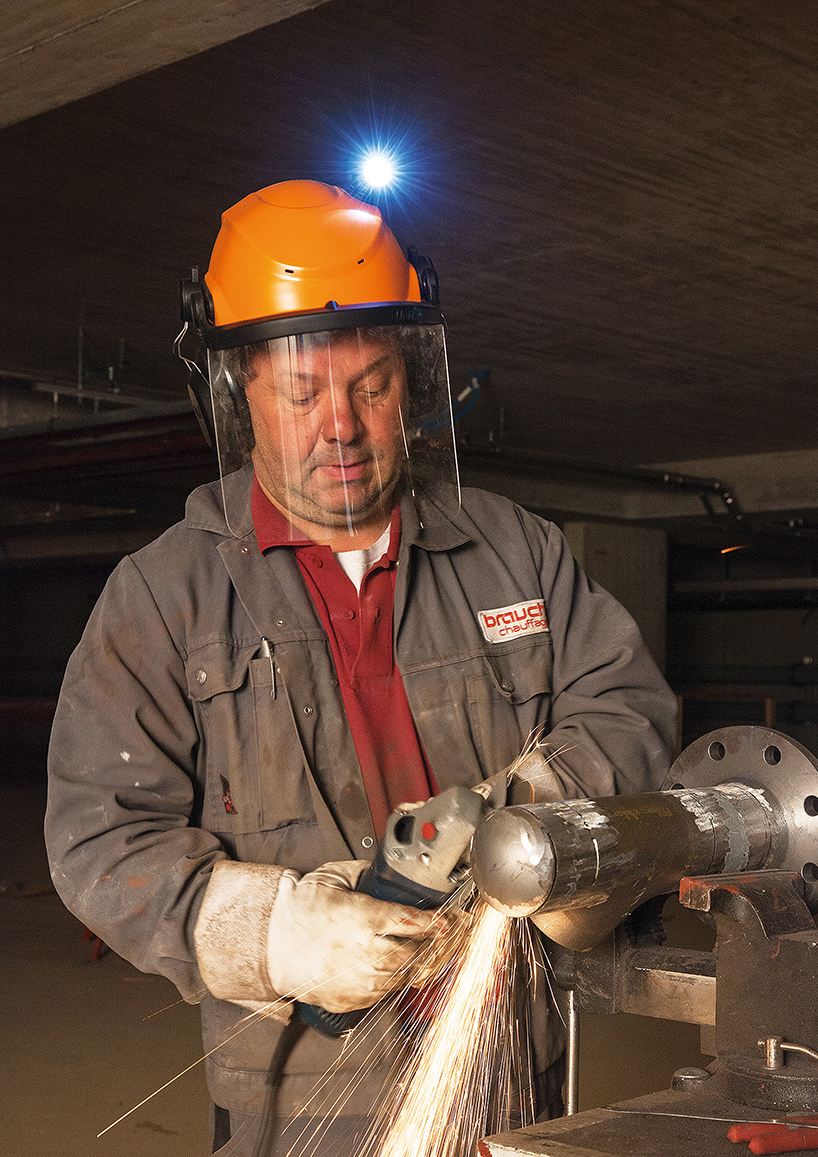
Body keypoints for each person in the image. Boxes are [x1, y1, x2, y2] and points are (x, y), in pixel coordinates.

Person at [45, 179, 677, 1156]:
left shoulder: (515, 549)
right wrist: (275, 930)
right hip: (300, 1098)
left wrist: (538, 808)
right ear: (235, 389)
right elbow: (97, 835)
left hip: (513, 1060)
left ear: (411, 384)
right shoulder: (164, 595)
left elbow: (626, 709)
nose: (339, 424)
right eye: (301, 392)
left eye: (370, 385)